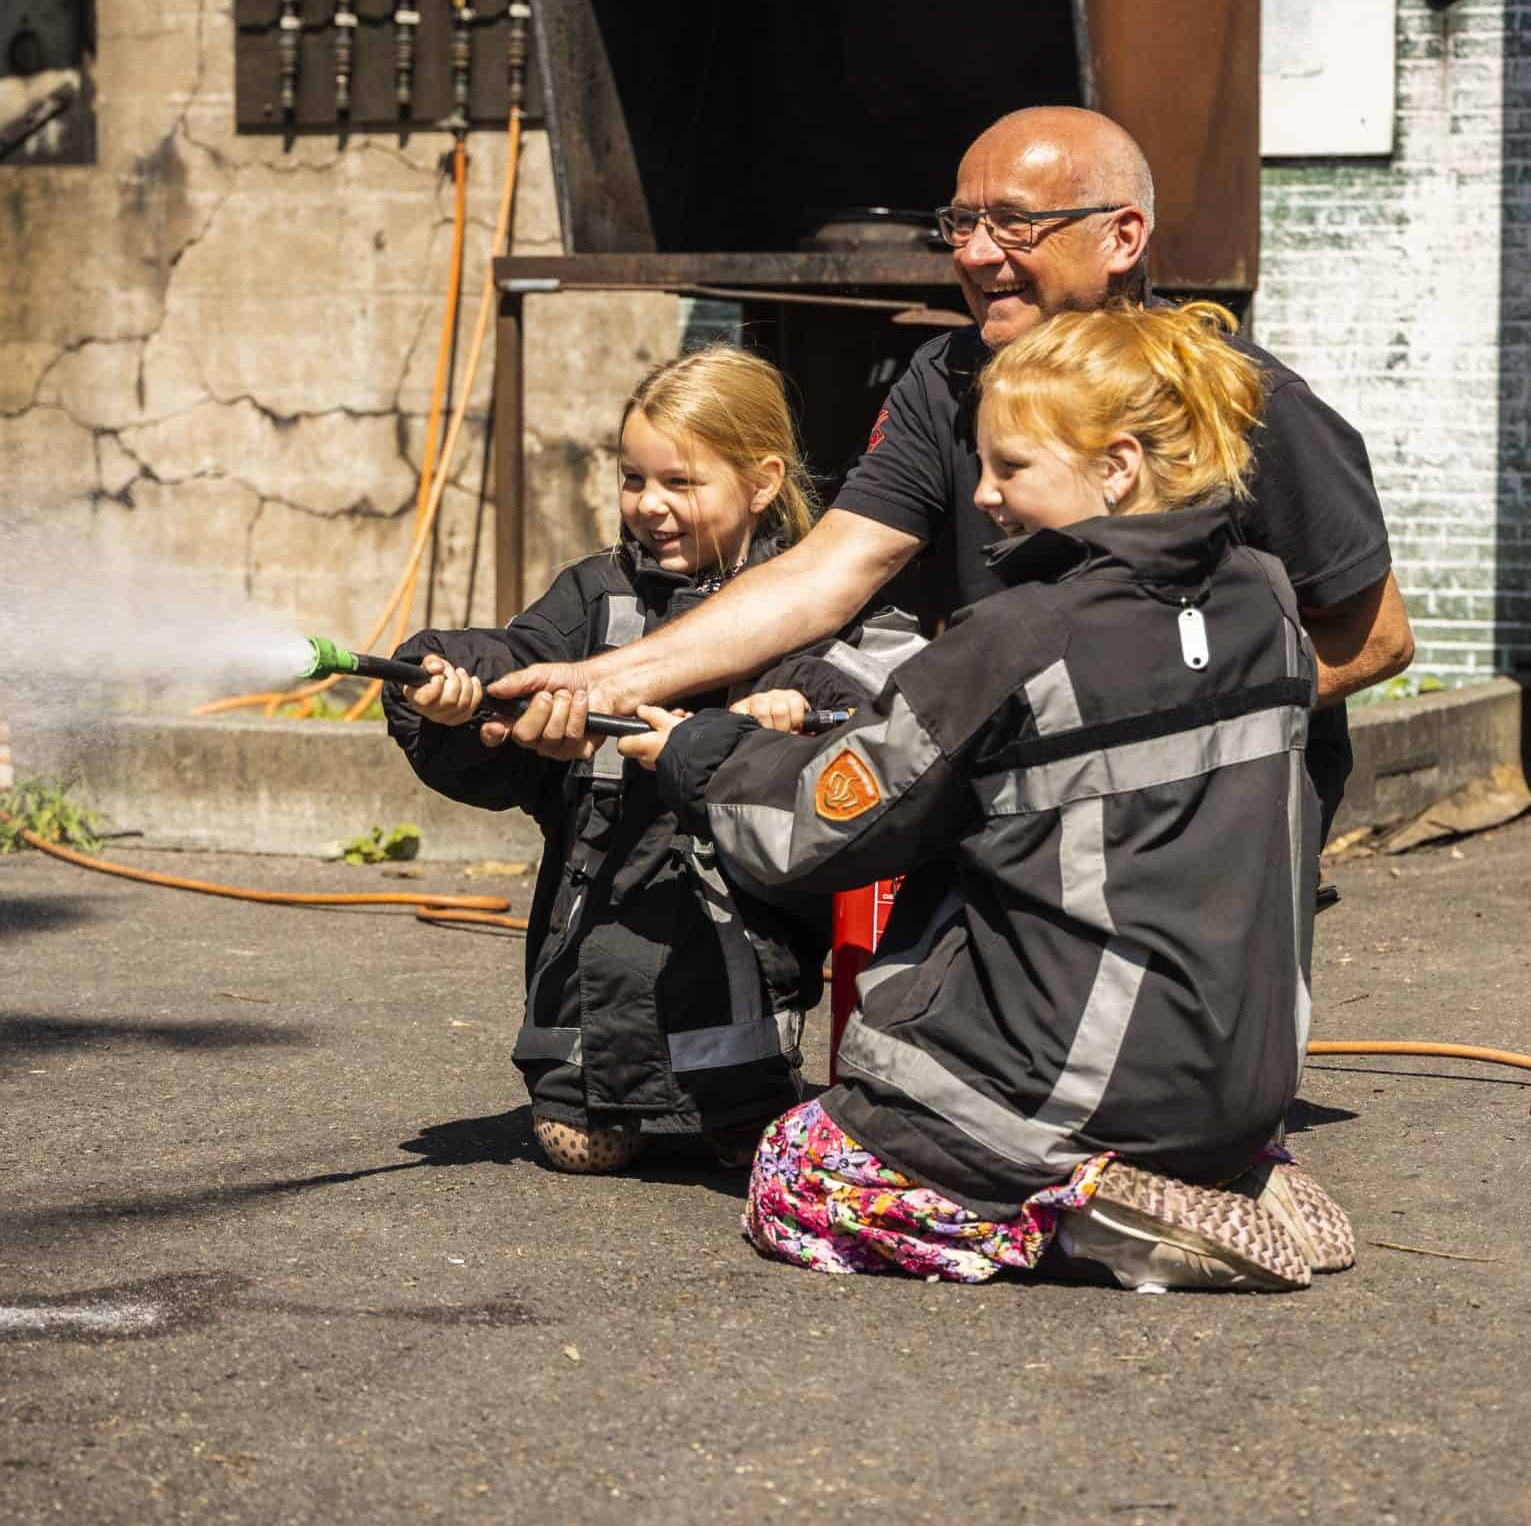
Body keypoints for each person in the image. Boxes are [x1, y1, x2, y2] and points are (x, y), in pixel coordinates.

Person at [619, 302, 1353, 1290]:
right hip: (1242, 1088)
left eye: (1009, 467)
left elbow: (816, 832)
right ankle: (1238, 1175)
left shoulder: (1021, 640)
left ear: (1117, 468)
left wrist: (700, 751)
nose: (984, 494)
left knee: (796, 1171)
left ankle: (1075, 1214)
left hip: (1074, 1094)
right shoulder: (1264, 597)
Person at [487, 106, 1413, 847]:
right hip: (1016, 793)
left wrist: (1145, 723)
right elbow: (825, 572)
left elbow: (1378, 639)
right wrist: (603, 678)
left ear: (1123, 236)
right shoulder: (945, 378)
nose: (973, 253)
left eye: (1013, 224)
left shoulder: (1242, 397)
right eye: (962, 223)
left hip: (1203, 820)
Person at [383, 347, 907, 1174]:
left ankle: (744, 1088)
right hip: (588, 980)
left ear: (763, 480)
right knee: (578, 1148)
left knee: (748, 1143)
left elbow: (865, 702)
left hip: (736, 966)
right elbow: (517, 655)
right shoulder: (592, 595)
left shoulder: (799, 599)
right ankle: (592, 1082)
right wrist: (449, 688)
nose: (649, 506)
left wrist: (795, 714)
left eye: (680, 483)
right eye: (633, 479)